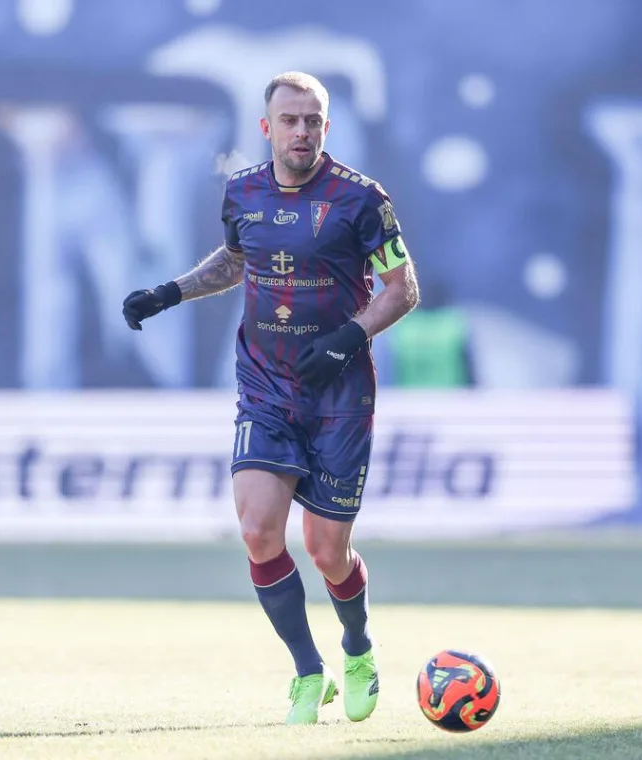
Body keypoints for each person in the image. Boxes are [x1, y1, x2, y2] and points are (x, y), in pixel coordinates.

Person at [120, 71, 419, 725]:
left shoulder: (362, 199)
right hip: (264, 385)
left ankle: (358, 647)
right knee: (258, 531)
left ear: (326, 127)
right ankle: (309, 672)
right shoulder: (243, 191)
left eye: (312, 121)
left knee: (327, 551)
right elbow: (236, 261)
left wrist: (348, 338)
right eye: (289, 120)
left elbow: (402, 288)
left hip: (339, 394)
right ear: (267, 127)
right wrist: (168, 293)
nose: (301, 132)